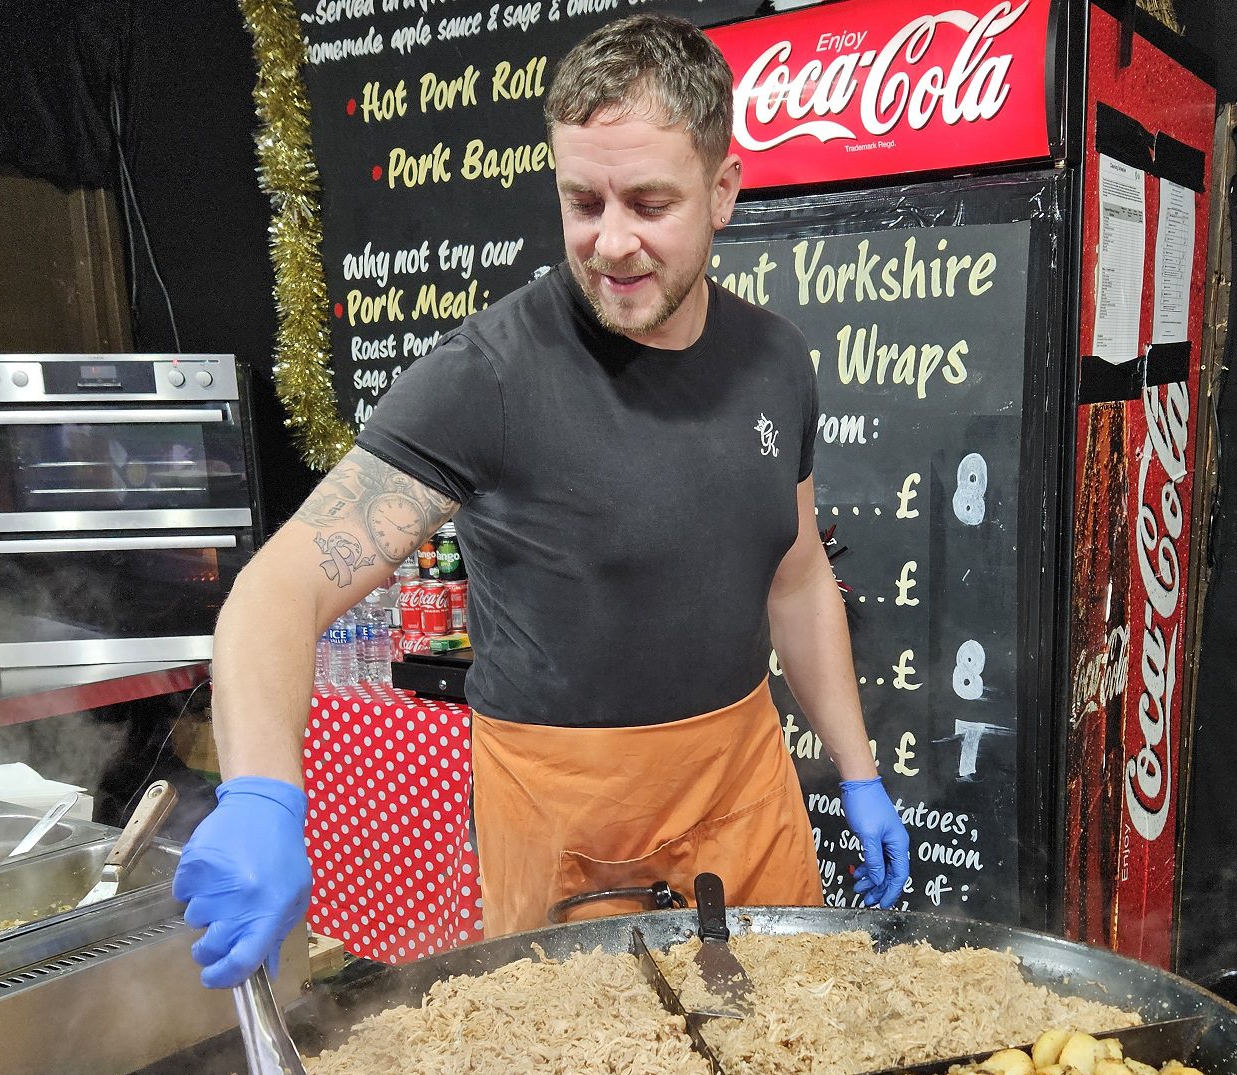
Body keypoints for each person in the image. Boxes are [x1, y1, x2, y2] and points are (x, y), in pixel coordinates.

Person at [174, 14, 909, 988]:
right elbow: (278, 592)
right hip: (569, 823)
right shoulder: (484, 378)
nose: (610, 242)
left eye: (648, 202)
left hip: (744, 789)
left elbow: (797, 576)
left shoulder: (775, 360)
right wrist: (260, 794)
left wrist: (856, 772)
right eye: (581, 201)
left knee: (778, 1062)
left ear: (723, 191)